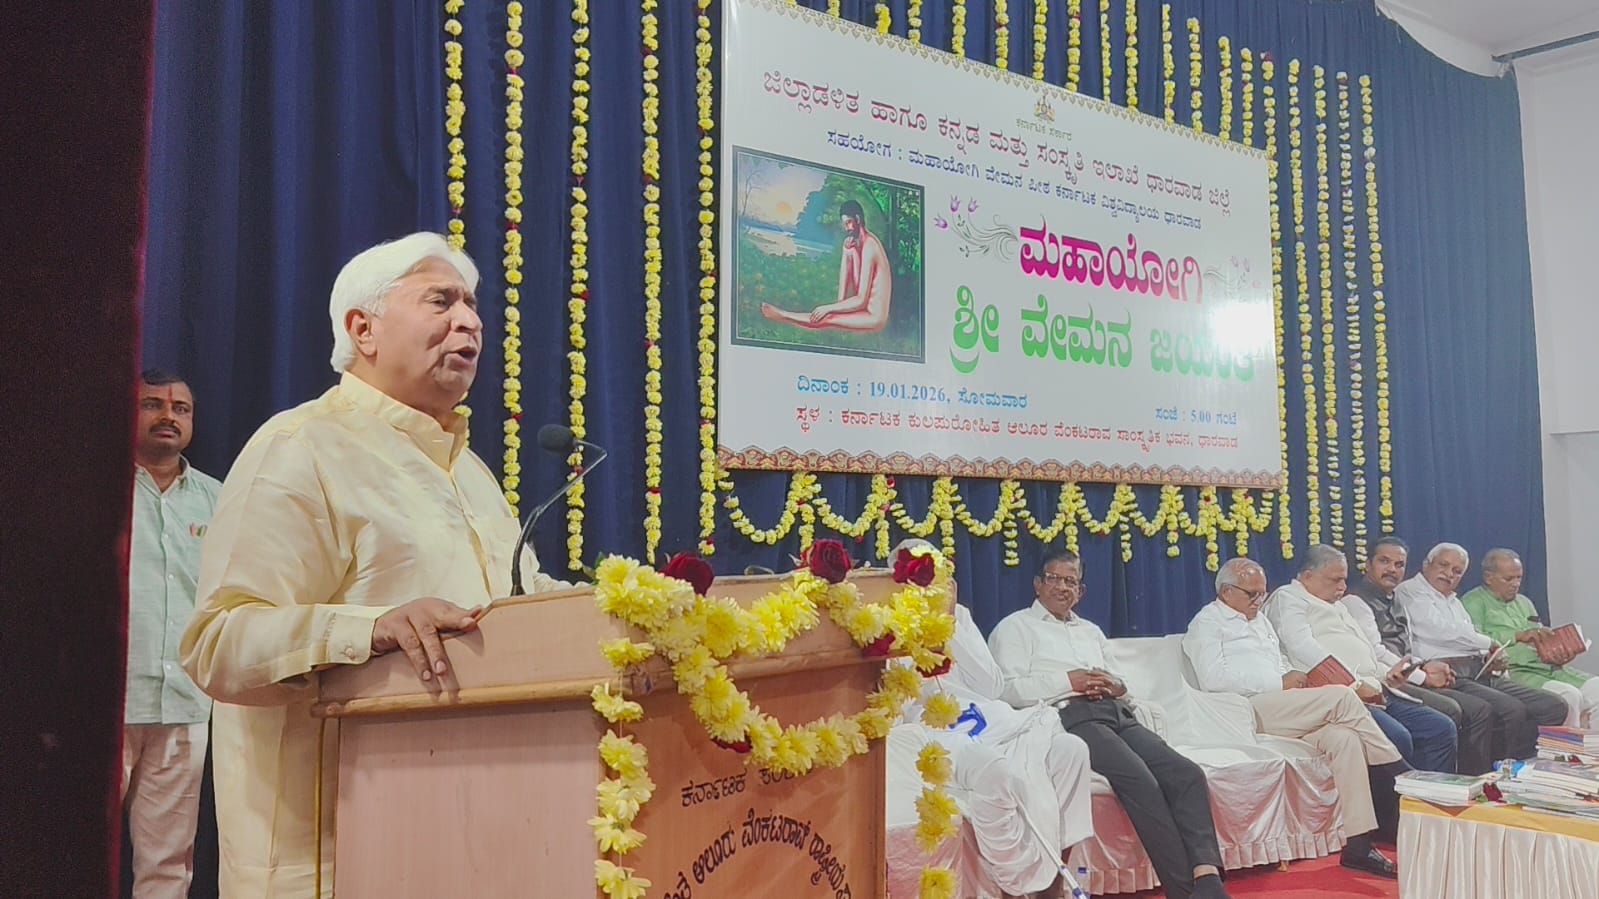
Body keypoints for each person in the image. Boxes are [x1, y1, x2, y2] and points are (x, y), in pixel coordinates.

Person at [180, 233, 570, 895]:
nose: (469, 321)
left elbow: (520, 598)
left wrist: (622, 606)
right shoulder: (299, 447)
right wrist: (371, 630)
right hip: (330, 861)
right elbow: (217, 645)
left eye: (472, 306)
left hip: (467, 843)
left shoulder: (470, 473)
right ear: (363, 329)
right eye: (441, 301)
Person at [989, 551, 1231, 899]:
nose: (1062, 587)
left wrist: (1116, 685)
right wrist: (1068, 681)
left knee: (1186, 773)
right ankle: (1183, 891)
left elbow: (1121, 680)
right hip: (1067, 717)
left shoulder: (1090, 631)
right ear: (1038, 584)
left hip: (1115, 711)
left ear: (1081, 591)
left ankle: (1207, 878)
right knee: (1142, 781)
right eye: (1054, 579)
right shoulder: (1015, 627)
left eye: (1071, 581)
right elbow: (1006, 690)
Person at [891, 539, 1093, 899]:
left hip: (991, 719)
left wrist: (950, 620)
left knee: (1071, 750)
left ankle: (1053, 881)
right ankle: (1016, 885)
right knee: (992, 767)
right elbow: (899, 700)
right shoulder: (888, 621)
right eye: (920, 577)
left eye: (936, 576)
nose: (928, 586)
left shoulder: (959, 616)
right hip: (934, 732)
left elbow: (990, 686)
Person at [1184, 558, 1406, 879]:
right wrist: (1279, 682)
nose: (1259, 601)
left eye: (1263, 593)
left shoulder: (1259, 619)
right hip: (1246, 710)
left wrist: (1293, 677)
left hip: (1283, 705)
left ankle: (1358, 844)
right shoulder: (1208, 623)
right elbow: (1213, 679)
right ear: (1226, 592)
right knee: (1342, 697)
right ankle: (1400, 773)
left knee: (1344, 739)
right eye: (1251, 594)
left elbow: (1279, 661)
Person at [124, 369, 222, 898]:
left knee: (168, 865)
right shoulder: (96, 492)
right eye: (153, 405)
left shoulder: (218, 500)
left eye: (180, 408)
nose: (168, 416)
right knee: (72, 851)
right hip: (105, 705)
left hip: (185, 703)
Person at [1266, 545, 1457, 773]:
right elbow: (1301, 648)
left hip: (1375, 688)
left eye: (1344, 580)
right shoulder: (1288, 597)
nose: (1342, 587)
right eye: (1335, 580)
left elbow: (1366, 652)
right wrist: (1354, 684)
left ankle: (1432, 793)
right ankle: (1396, 796)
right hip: (1342, 695)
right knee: (1397, 737)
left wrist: (1388, 675)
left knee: (1440, 728)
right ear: (1308, 577)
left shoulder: (1338, 605)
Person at [1341, 537, 1501, 774]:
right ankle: (1434, 786)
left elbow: (1408, 647)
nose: (1392, 569)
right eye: (1384, 561)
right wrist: (1423, 676)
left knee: (1482, 708)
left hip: (1409, 675)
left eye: (1399, 565)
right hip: (1384, 681)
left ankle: (1466, 782)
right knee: (1453, 710)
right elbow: (1376, 652)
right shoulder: (1355, 601)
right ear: (1368, 564)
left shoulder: (1395, 598)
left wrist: (1426, 667)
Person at [1394, 543, 1567, 743]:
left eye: (1457, 571)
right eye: (1443, 565)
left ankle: (1528, 759)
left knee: (1554, 705)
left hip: (1480, 671)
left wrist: (1492, 656)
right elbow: (1441, 631)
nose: (1449, 574)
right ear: (1426, 564)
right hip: (1445, 674)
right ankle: (1501, 762)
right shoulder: (1410, 591)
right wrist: (1490, 643)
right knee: (1509, 709)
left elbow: (1469, 637)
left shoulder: (1454, 602)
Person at [1460, 548, 1599, 729]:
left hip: (1548, 667)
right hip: (1516, 672)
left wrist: (1559, 652)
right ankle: (1564, 747)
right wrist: (1518, 636)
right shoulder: (1473, 602)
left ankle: (1592, 746)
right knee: (1569, 696)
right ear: (1488, 578)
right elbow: (1473, 641)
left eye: (1519, 578)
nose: (1515, 584)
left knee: (1597, 688)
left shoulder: (1524, 602)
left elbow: (1538, 636)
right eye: (1509, 579)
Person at [760, 199, 893, 332]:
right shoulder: (860, 244)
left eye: (848, 222)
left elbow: (861, 300)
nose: (846, 228)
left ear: (858, 219)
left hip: (874, 317)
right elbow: (858, 291)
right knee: (848, 250)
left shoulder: (870, 246)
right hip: (865, 308)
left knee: (827, 318)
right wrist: (847, 253)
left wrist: (827, 308)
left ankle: (783, 315)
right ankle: (787, 315)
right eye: (844, 224)